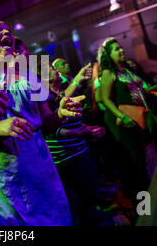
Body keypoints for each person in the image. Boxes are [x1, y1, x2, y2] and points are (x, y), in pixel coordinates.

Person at [0, 20, 81, 226]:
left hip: (44, 177)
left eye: (7, 29)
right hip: (3, 185)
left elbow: (47, 125)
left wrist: (61, 113)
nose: (6, 31)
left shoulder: (28, 76)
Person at [98, 38, 157, 215]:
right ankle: (144, 211)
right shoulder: (108, 72)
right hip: (128, 125)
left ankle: (155, 201)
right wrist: (121, 116)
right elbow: (105, 99)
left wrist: (156, 92)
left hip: (142, 122)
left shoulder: (127, 69)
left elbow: (139, 90)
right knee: (137, 168)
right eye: (115, 50)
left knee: (149, 160)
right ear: (109, 55)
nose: (120, 51)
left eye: (120, 48)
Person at [44, 65, 106, 226]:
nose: (54, 69)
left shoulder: (60, 94)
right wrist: (83, 133)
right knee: (80, 199)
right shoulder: (45, 98)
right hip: (66, 157)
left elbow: (74, 123)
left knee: (89, 193)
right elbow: (55, 131)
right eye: (50, 68)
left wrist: (88, 128)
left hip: (80, 150)